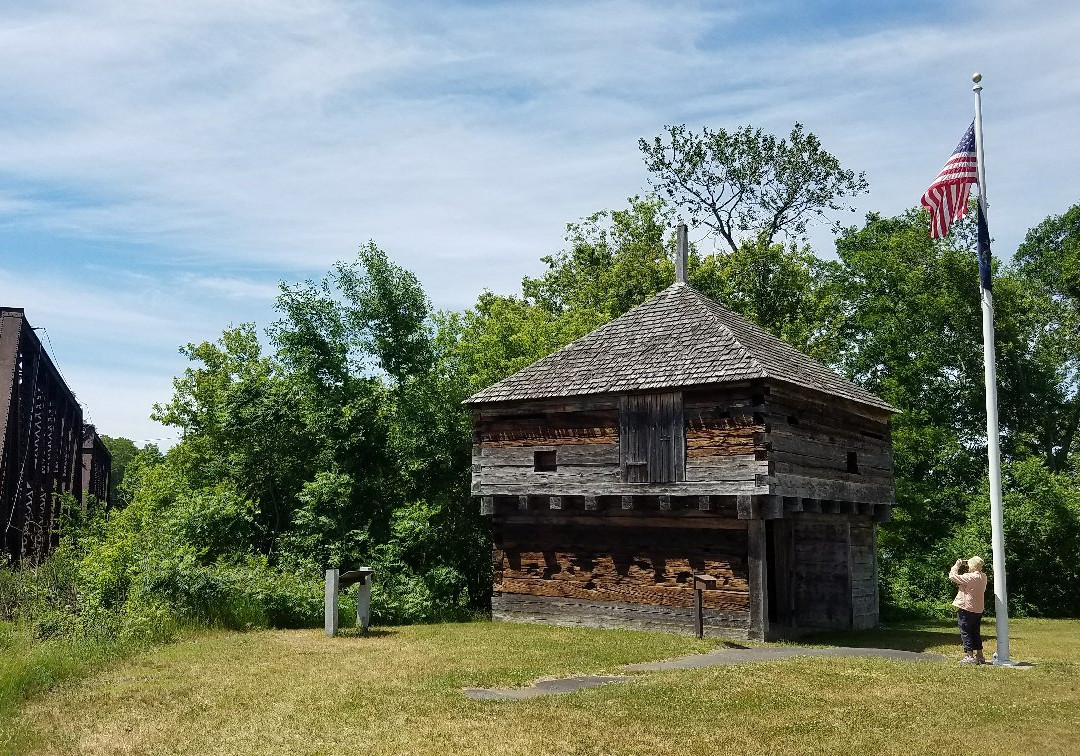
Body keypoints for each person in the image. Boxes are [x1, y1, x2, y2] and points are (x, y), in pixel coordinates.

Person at [949, 556, 988, 664]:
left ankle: (969, 656)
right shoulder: (983, 576)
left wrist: (957, 565)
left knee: (966, 632)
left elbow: (952, 576)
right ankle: (980, 655)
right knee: (975, 632)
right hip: (978, 609)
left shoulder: (969, 577)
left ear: (972, 566)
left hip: (967, 608)